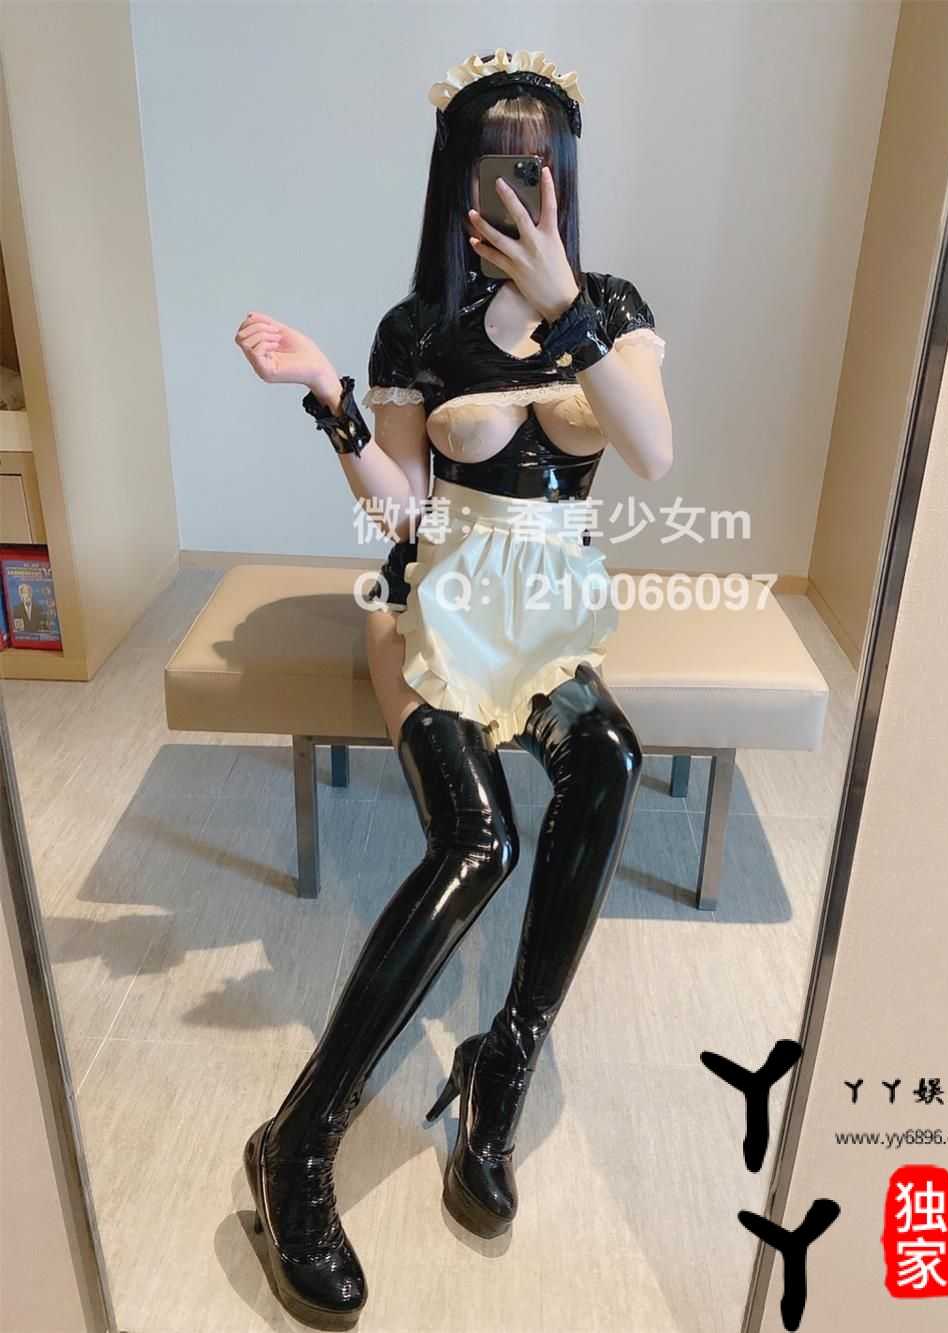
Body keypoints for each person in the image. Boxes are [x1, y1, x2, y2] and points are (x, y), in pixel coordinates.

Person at [234, 47, 672, 1329]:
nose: (518, 182)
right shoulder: (417, 328)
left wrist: (567, 307)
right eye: (495, 161)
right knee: (479, 839)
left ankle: (501, 1060)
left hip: (548, 621)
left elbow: (651, 452)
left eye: (540, 161)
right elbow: (406, 513)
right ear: (456, 179)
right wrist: (329, 394)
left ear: (567, 172)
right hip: (432, 602)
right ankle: (297, 1142)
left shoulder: (612, 306)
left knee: (609, 757)